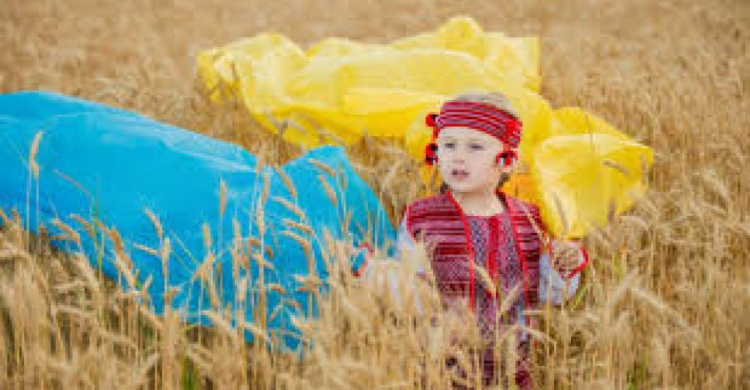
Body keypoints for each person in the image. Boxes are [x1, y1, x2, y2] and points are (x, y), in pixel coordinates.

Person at [397, 92, 589, 388]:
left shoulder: (529, 220)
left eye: (475, 146)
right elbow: (407, 291)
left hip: (512, 370)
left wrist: (563, 264)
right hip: (440, 371)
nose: (458, 156)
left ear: (507, 160)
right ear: (435, 152)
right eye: (448, 145)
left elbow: (550, 295)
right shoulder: (420, 218)